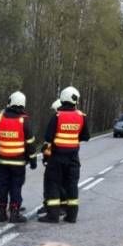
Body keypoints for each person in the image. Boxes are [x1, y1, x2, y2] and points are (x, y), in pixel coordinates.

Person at [39, 86, 89, 224]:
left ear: (62, 98)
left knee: (53, 184)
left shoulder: (57, 116)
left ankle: (53, 216)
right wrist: (73, 138)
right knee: (72, 185)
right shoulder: (82, 117)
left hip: (57, 158)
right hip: (73, 158)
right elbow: (86, 136)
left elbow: (48, 137)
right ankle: (71, 216)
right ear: (75, 100)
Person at [0, 90, 38, 224]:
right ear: (23, 105)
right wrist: (33, 160)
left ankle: (1, 212)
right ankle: (15, 212)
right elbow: (30, 144)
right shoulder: (24, 121)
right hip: (18, 162)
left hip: (2, 161)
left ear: (10, 102)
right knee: (16, 185)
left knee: (2, 184)